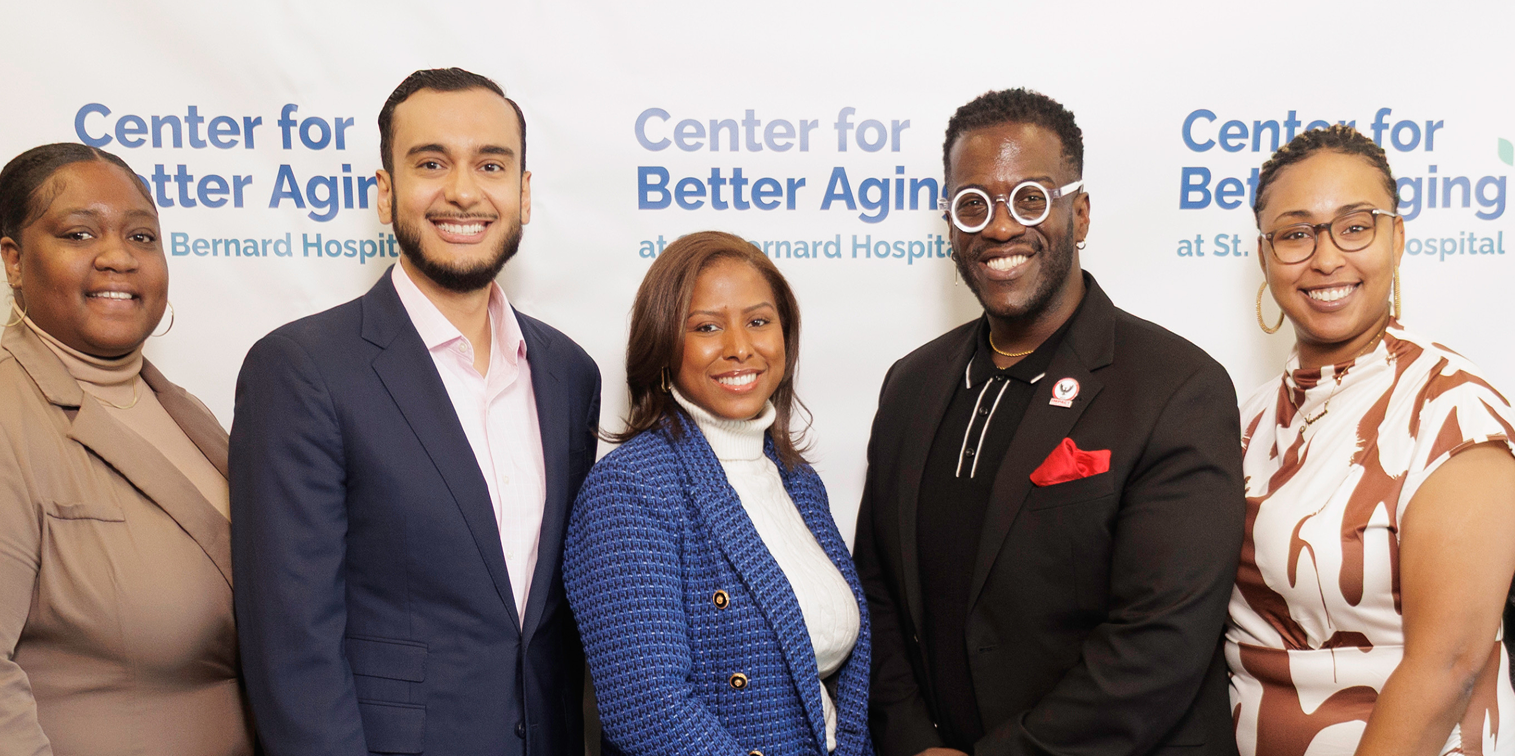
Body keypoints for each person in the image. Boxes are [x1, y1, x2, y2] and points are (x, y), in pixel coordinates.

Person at [854, 88, 1246, 756]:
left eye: (1030, 198)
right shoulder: (910, 384)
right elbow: (878, 593)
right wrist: (913, 741)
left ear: (1080, 212)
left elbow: (1159, 641)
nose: (1000, 227)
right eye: (972, 204)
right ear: (948, 222)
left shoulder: (1176, 387)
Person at [231, 68, 600, 756]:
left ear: (522, 193)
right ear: (384, 192)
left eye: (490, 164)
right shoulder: (301, 369)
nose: (462, 190)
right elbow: (291, 642)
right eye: (431, 163)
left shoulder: (568, 372)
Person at [1230, 125, 1515, 755]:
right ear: (1265, 254)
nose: (1326, 257)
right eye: (1296, 233)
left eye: (1355, 226)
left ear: (1398, 238)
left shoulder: (1452, 412)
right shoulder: (1242, 420)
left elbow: (1450, 667)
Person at [564, 231, 872, 756]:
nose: (739, 347)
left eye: (758, 321)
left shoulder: (800, 483)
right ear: (663, 345)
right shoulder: (629, 489)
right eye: (707, 327)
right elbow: (648, 711)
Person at [0, 143, 253, 755]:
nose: (118, 256)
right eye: (80, 233)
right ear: (13, 260)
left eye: (142, 237)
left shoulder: (186, 412)